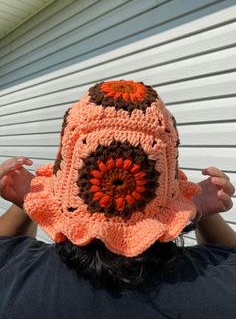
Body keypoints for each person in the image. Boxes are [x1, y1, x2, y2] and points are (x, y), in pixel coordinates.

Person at [0, 79, 235, 319]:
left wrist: (34, 196)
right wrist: (201, 211)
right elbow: (228, 254)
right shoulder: (220, 287)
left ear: (65, 174)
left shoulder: (14, 279)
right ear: (169, 179)